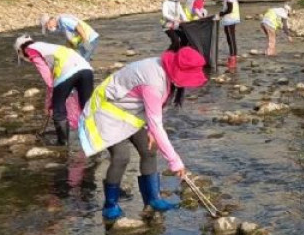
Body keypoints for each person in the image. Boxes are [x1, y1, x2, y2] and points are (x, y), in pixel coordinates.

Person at [78, 46, 208, 222]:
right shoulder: (153, 82)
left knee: (149, 150)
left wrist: (151, 131)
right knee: (121, 157)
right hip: (106, 111)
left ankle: (153, 199)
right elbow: (156, 122)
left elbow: (156, 112)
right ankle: (110, 205)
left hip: (130, 113)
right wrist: (175, 161)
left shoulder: (164, 75)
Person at [15, 36, 95, 146]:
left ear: (20, 50)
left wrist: (49, 104)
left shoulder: (31, 50)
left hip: (67, 72)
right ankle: (94, 139)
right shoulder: (47, 46)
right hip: (86, 70)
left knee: (58, 108)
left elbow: (48, 78)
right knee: (87, 107)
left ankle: (63, 143)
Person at [218, 0, 241, 69]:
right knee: (230, 37)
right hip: (230, 17)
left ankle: (232, 59)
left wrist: (221, 14)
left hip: (230, 18)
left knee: (230, 38)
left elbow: (230, 9)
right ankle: (233, 57)